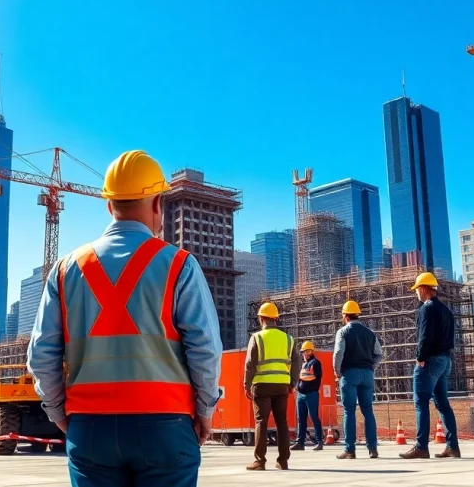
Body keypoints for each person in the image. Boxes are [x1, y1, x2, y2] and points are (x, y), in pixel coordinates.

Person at [27, 150, 223, 487]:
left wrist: (59, 411)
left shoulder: (66, 269)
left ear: (109, 205)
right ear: (158, 203)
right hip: (166, 424)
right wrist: (205, 410)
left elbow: (41, 354)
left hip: (89, 427)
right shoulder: (178, 264)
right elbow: (204, 348)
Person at [399, 272, 460, 460]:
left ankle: (421, 447)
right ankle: (453, 447)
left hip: (431, 360)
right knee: (443, 405)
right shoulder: (446, 310)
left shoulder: (426, 309)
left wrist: (420, 356)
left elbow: (424, 336)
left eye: (417, 289)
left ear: (423, 288)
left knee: (421, 403)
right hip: (445, 360)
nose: (416, 293)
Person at [243, 302, 301, 471]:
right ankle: (283, 461)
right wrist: (292, 383)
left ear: (261, 319)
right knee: (282, 422)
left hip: (261, 386)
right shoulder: (289, 339)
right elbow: (296, 362)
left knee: (261, 421)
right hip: (282, 386)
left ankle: (260, 461)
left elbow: (250, 364)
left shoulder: (257, 338)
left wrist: (246, 384)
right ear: (276, 319)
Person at [333, 300, 382, 459]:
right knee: (368, 410)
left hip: (350, 374)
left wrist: (337, 371)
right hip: (367, 374)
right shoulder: (370, 333)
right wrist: (371, 367)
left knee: (349, 411)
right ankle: (372, 448)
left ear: (345, 316)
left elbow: (338, 352)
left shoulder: (343, 332)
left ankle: (350, 450)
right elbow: (379, 354)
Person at [291, 340, 324, 451]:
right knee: (301, 419)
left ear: (310, 351)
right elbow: (304, 376)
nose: (304, 353)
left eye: (306, 351)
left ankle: (319, 441)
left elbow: (316, 376)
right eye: (303, 352)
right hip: (300, 394)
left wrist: (304, 377)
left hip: (311, 394)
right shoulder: (304, 364)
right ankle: (300, 442)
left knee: (313, 417)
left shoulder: (315, 363)